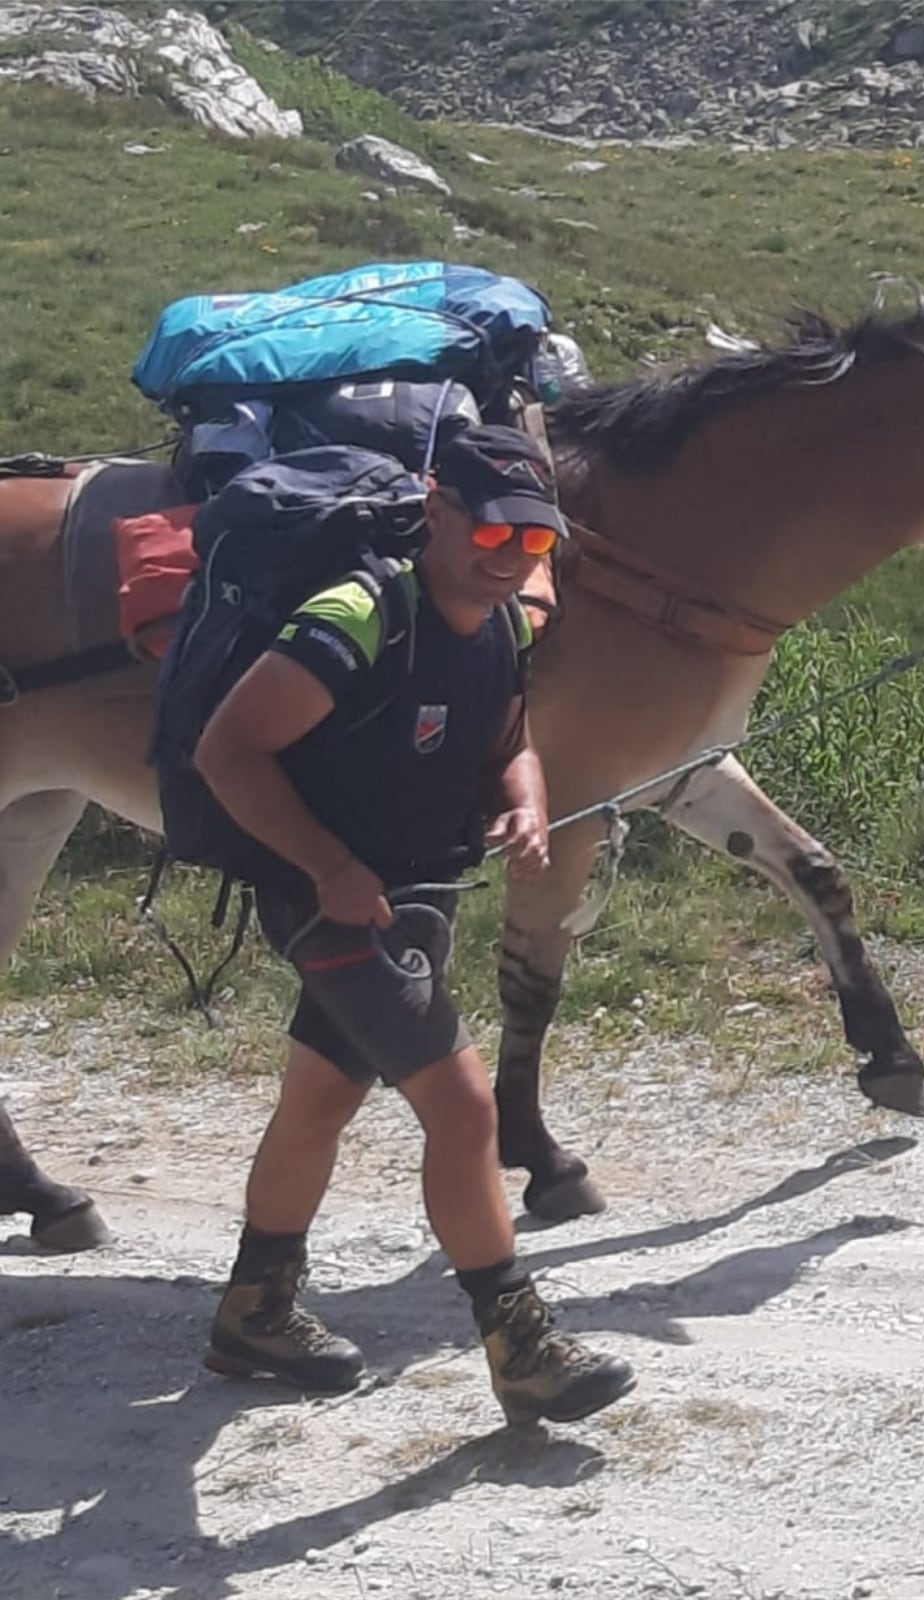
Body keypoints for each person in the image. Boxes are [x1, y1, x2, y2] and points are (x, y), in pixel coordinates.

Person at [193, 424, 635, 1425]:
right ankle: (520, 1344)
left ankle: (253, 1312)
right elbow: (229, 752)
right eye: (493, 532)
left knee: (319, 1098)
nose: (510, 558)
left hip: (418, 900)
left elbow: (508, 742)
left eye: (533, 544)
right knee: (468, 1109)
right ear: (439, 506)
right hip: (333, 905)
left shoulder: (502, 625)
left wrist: (523, 799)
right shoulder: (358, 616)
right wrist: (329, 866)